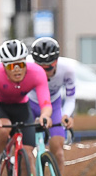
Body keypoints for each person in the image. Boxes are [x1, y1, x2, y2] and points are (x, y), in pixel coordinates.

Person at [0, 39, 53, 176]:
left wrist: (45, 116)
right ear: (3, 66)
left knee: (28, 155)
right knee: (3, 128)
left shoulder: (37, 73)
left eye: (20, 65)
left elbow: (46, 103)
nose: (16, 70)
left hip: (21, 107)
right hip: (0, 107)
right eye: (11, 66)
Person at [28, 37, 76, 168]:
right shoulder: (27, 67)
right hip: (30, 104)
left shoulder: (67, 70)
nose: (43, 72)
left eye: (48, 68)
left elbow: (70, 98)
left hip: (53, 105)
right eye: (40, 68)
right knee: (26, 153)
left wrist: (66, 115)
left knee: (58, 153)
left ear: (56, 61)